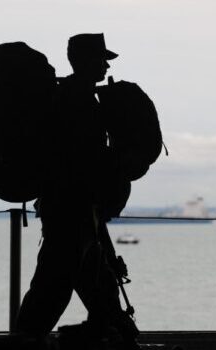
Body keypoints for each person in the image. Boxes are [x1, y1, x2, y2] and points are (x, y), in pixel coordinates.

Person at [16, 33, 139, 349]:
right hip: (72, 207)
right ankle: (26, 338)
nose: (105, 65)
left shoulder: (74, 96)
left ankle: (115, 327)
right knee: (54, 282)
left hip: (76, 208)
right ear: (85, 60)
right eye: (101, 59)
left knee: (95, 282)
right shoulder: (77, 100)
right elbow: (83, 158)